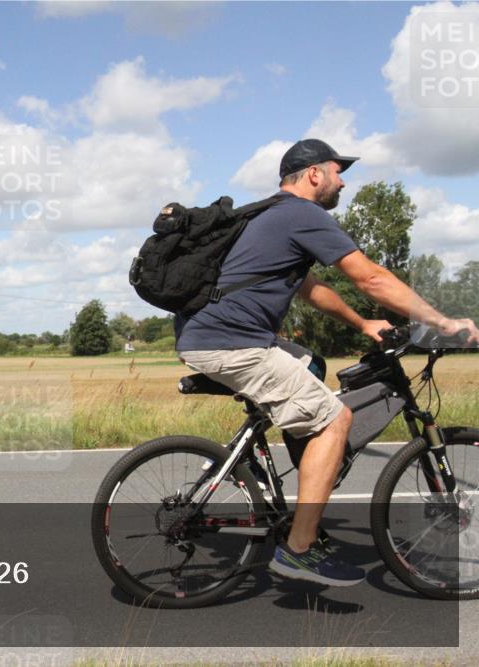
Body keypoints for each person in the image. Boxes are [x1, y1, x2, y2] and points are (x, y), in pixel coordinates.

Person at [174, 138, 479, 586]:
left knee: (312, 366)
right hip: (231, 341)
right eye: (338, 172)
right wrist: (442, 321)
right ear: (314, 174)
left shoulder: (270, 214)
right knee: (336, 419)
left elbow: (309, 287)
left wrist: (362, 323)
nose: (342, 182)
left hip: (216, 335)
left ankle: (282, 484)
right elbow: (371, 276)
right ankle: (298, 549)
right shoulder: (302, 214)